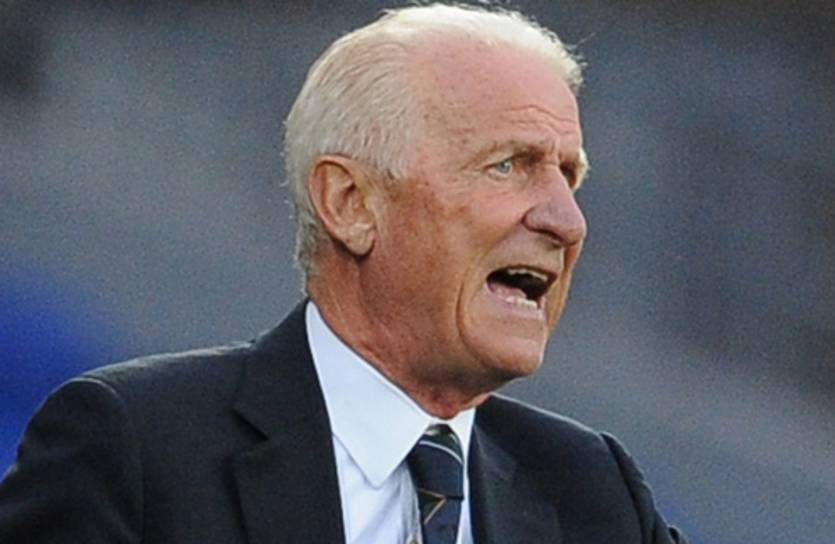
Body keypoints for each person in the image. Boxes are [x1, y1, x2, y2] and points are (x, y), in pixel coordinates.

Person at [0, 3, 687, 543]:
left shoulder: (590, 489)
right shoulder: (138, 448)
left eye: (568, 176)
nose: (566, 221)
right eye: (507, 165)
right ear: (350, 203)